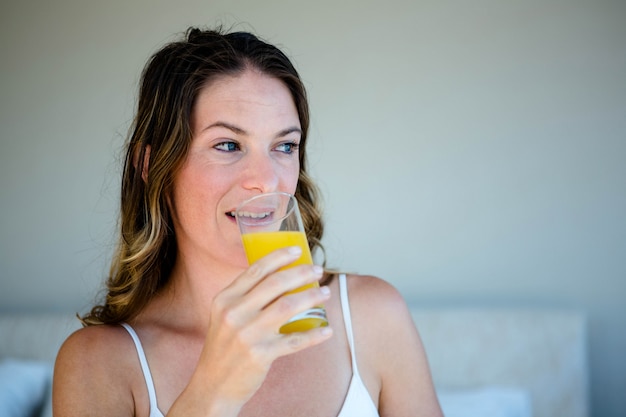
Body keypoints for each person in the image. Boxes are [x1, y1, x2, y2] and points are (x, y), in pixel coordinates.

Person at [53, 27, 443, 417]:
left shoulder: (372, 316)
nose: (268, 179)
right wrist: (212, 392)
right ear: (151, 166)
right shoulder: (98, 365)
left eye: (284, 146)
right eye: (228, 145)